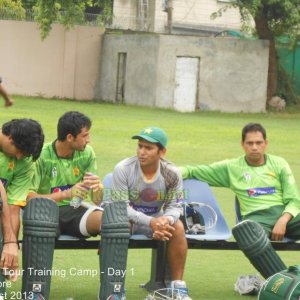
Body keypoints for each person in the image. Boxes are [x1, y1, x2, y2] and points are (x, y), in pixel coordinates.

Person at [180, 123, 300, 278]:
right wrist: (168, 172)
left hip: (285, 216)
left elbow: (294, 200)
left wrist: (283, 220)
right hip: (256, 219)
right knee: (246, 234)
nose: (254, 147)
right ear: (242, 145)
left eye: (258, 143)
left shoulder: (279, 164)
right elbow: (193, 171)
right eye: (250, 143)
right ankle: (284, 284)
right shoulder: (232, 167)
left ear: (266, 144)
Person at [111, 126, 192, 300]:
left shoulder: (172, 173)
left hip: (155, 220)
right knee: (119, 226)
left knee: (177, 226)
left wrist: (165, 220)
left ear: (162, 152)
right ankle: (114, 289)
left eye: (148, 148)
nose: (142, 152)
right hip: (126, 220)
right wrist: (151, 222)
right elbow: (121, 207)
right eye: (140, 146)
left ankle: (177, 287)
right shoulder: (123, 169)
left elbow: (175, 206)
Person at [27, 111, 103, 237]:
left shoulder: (87, 153)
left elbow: (97, 201)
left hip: (73, 210)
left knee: (110, 223)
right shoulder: (41, 156)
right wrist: (66, 194)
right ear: (69, 137)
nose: (88, 140)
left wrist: (97, 188)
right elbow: (29, 198)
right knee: (44, 229)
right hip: (44, 211)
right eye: (84, 136)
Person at [0, 119, 44, 238]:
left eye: (25, 154)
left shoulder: (25, 162)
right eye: (20, 151)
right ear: (10, 138)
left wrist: (11, 243)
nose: (20, 157)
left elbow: (13, 208)